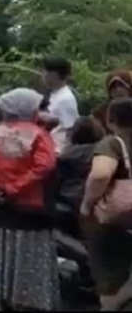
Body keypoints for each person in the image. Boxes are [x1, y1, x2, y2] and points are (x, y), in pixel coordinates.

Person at [0, 88, 59, 312]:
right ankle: (26, 302)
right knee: (27, 260)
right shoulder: (39, 135)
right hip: (29, 209)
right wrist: (14, 188)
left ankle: (1, 301)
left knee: (0, 256)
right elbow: (45, 166)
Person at [80, 98, 132, 311]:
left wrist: (86, 204)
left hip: (115, 224)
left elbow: (101, 174)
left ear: (111, 120)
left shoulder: (113, 143)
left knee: (110, 286)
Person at [53, 117, 104, 236]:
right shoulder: (104, 152)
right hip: (97, 201)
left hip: (68, 201)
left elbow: (56, 180)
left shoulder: (66, 156)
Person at [40, 57, 79, 155]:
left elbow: (71, 128)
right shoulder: (53, 94)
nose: (43, 75)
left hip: (58, 151)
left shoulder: (66, 98)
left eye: (46, 72)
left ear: (55, 75)